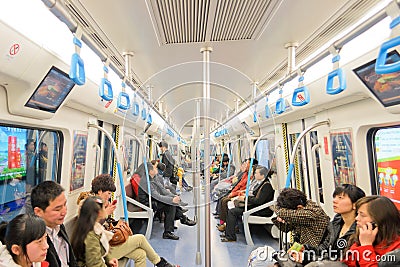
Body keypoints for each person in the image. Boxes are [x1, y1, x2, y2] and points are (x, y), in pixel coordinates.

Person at [77, 174, 178, 267]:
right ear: (99, 191)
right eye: (108, 193)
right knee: (140, 239)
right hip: (104, 249)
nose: (109, 196)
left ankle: (160, 263)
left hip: (107, 244)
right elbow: (91, 229)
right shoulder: (87, 205)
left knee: (140, 254)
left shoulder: (100, 203)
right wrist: (105, 213)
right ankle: (161, 263)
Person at [294, 184, 366, 266]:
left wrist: (306, 257)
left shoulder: (360, 230)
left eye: (340, 198)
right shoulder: (335, 223)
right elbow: (324, 249)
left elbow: (339, 259)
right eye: (335, 197)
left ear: (355, 204)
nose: (334, 201)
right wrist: (306, 248)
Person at [138, 162, 196, 240]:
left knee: (171, 202)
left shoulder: (153, 178)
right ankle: (170, 229)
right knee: (170, 204)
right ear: (150, 171)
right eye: (155, 168)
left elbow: (162, 190)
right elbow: (157, 196)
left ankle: (180, 219)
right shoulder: (146, 182)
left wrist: (173, 196)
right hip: (148, 203)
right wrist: (172, 199)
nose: (156, 168)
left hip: (154, 199)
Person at [220, 165, 275, 242]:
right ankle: (229, 232)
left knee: (232, 212)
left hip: (261, 210)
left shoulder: (266, 186)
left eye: (256, 173)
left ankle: (230, 236)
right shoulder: (261, 183)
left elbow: (258, 201)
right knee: (232, 209)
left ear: (262, 175)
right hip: (255, 207)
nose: (254, 174)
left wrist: (245, 198)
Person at [31, 181, 78, 267]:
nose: (64, 212)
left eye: (65, 205)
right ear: (38, 211)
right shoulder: (35, 240)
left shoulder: (59, 226)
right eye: (57, 209)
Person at [343, 196, 400, 267]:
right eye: (357, 214)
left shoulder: (396, 251)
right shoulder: (361, 238)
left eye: (362, 215)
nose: (357, 218)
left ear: (378, 221)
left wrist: (366, 246)